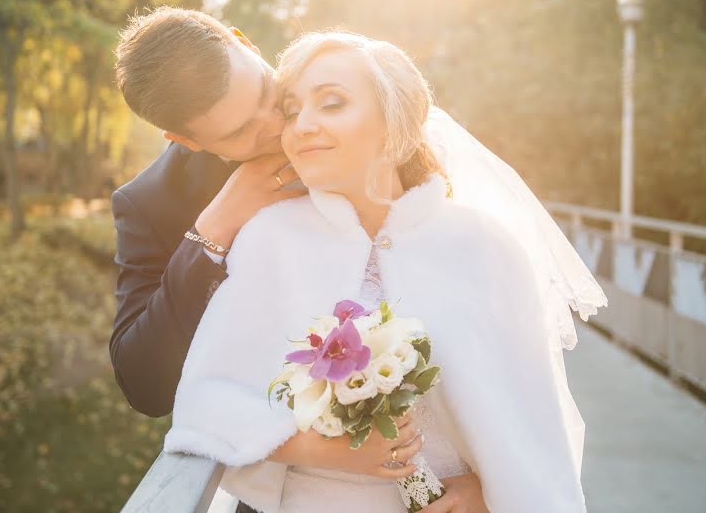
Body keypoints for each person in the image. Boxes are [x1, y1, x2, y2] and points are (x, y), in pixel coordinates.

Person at [163, 31, 606, 512]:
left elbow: (534, 424)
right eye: (293, 110)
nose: (301, 125)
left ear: (395, 122)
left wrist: (488, 494)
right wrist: (323, 447)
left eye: (332, 103)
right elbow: (205, 405)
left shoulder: (486, 246)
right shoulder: (268, 239)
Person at [111, 9, 446, 512]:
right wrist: (214, 228)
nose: (282, 126)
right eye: (243, 131)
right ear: (187, 142)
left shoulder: (349, 97)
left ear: (245, 42)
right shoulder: (150, 203)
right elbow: (146, 386)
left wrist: (482, 481)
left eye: (270, 97)